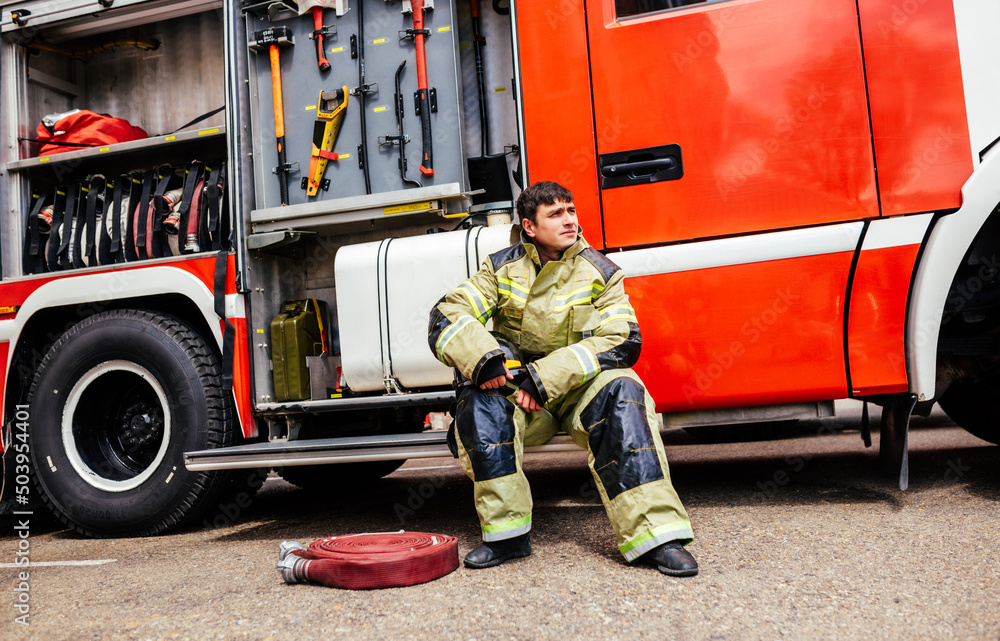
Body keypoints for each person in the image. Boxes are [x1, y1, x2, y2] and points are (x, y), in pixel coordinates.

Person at [428, 181, 697, 577]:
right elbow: (448, 313)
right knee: (478, 402)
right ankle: (507, 536)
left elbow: (622, 338)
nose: (570, 220)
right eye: (555, 214)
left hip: (578, 392)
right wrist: (485, 362)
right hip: (522, 398)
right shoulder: (499, 268)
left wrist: (546, 377)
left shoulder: (601, 271)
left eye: (571, 210)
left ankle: (657, 537)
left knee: (624, 392)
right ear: (529, 226)